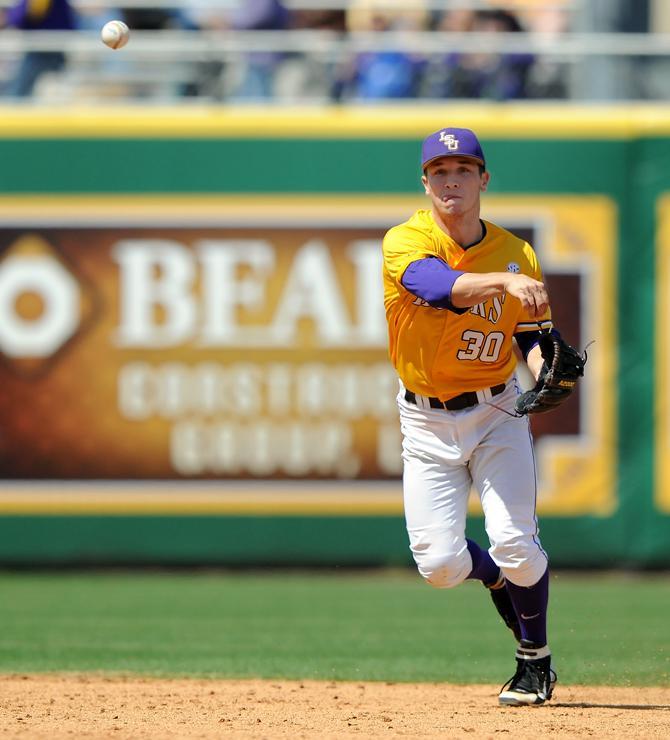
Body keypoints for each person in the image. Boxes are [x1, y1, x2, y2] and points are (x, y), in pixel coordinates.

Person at [382, 126, 561, 706]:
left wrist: (545, 365)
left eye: (462, 170)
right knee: (438, 564)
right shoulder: (405, 240)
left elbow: (533, 334)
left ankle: (534, 661)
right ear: (425, 182)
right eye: (439, 171)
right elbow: (435, 287)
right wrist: (507, 280)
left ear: (483, 179)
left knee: (515, 541)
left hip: (496, 409)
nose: (450, 181)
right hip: (425, 421)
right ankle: (493, 580)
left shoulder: (516, 251)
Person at [1, 0, 78, 98]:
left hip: (48, 49)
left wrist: (9, 18)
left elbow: (23, 17)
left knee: (19, 89)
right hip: (45, 46)